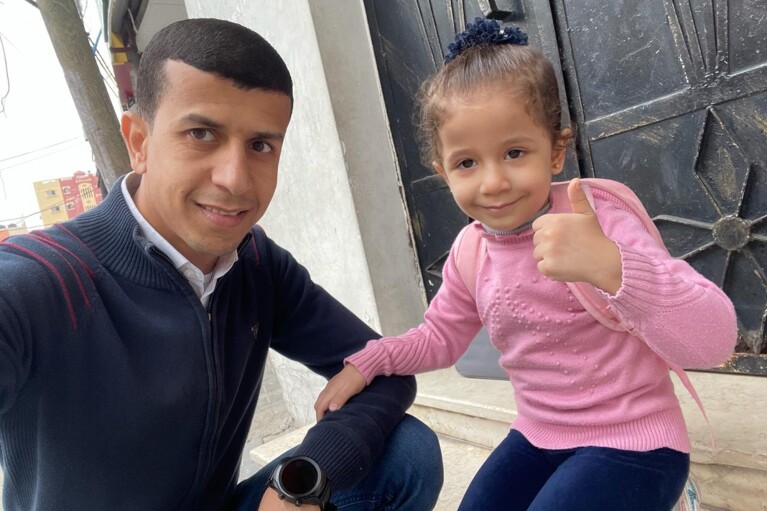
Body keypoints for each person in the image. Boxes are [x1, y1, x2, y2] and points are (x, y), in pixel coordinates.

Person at [0, 18, 443, 511]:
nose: (235, 179)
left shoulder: (256, 265)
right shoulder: (38, 283)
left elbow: (386, 369)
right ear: (139, 142)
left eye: (260, 145)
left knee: (406, 452)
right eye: (201, 133)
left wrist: (302, 483)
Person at [315, 18, 737, 511]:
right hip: (540, 433)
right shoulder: (471, 251)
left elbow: (715, 341)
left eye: (514, 152)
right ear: (442, 170)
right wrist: (370, 361)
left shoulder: (597, 222)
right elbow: (440, 337)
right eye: (467, 163)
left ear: (556, 150)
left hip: (637, 440)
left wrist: (612, 268)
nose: (493, 182)